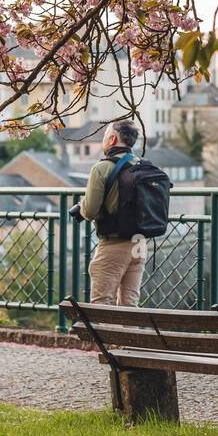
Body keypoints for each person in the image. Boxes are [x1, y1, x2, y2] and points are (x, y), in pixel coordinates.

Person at [73, 120, 146, 306]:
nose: (104, 139)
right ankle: (129, 336)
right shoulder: (142, 166)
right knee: (130, 305)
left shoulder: (102, 168)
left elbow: (89, 211)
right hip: (140, 243)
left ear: (112, 139)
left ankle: (106, 336)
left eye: (105, 135)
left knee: (102, 303)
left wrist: (80, 208)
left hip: (114, 243)